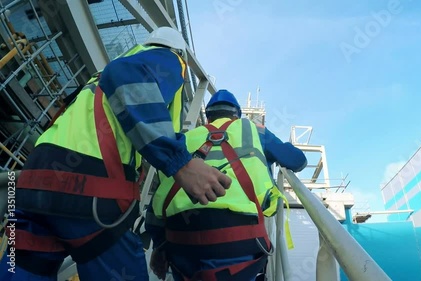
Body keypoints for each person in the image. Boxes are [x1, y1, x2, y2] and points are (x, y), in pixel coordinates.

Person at [0, 27, 231, 281]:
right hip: (86, 186)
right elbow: (128, 76)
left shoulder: (102, 75)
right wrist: (181, 164)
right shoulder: (167, 58)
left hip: (33, 181)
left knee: (20, 269)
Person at [146, 89, 307, 281]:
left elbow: (159, 194)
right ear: (236, 114)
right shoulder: (254, 130)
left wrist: (159, 246)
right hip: (241, 241)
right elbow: (297, 161)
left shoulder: (184, 138)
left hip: (180, 241)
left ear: (208, 117)